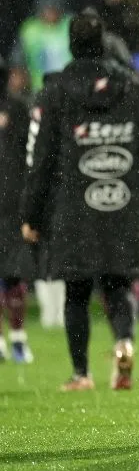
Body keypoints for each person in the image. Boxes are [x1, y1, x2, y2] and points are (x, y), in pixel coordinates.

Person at [20, 11, 139, 391]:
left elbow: (42, 158)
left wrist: (31, 214)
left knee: (77, 292)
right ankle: (124, 343)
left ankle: (82, 373)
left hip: (73, 208)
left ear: (71, 44)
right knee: (119, 284)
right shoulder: (134, 89)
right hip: (123, 202)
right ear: (103, 42)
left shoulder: (55, 92)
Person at [0, 55, 34, 363]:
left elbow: (30, 158)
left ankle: (19, 338)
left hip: (12, 206)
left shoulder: (19, 110)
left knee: (14, 275)